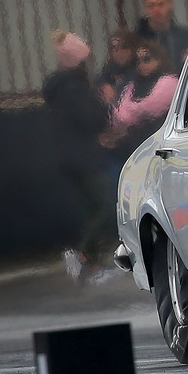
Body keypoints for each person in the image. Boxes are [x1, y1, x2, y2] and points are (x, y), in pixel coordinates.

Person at [41, 30, 115, 283]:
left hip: (66, 157)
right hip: (84, 157)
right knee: (104, 206)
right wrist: (105, 102)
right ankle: (85, 255)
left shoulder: (57, 87)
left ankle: (91, 263)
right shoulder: (76, 87)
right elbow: (90, 119)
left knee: (89, 209)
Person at [101, 39, 179, 167]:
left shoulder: (169, 81)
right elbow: (121, 113)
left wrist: (129, 117)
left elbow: (152, 108)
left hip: (161, 142)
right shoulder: (133, 84)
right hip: (135, 144)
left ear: (159, 60)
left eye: (147, 60)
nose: (142, 65)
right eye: (138, 61)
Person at [133, 0, 188, 70]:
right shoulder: (137, 40)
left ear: (170, 4)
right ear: (145, 9)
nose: (156, 10)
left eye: (160, 4)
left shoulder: (186, 36)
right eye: (150, 6)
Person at [94, 28, 139, 105]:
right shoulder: (113, 65)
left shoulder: (139, 66)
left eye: (123, 48)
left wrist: (115, 93)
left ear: (132, 49)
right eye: (113, 49)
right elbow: (99, 78)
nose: (118, 53)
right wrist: (105, 86)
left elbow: (131, 89)